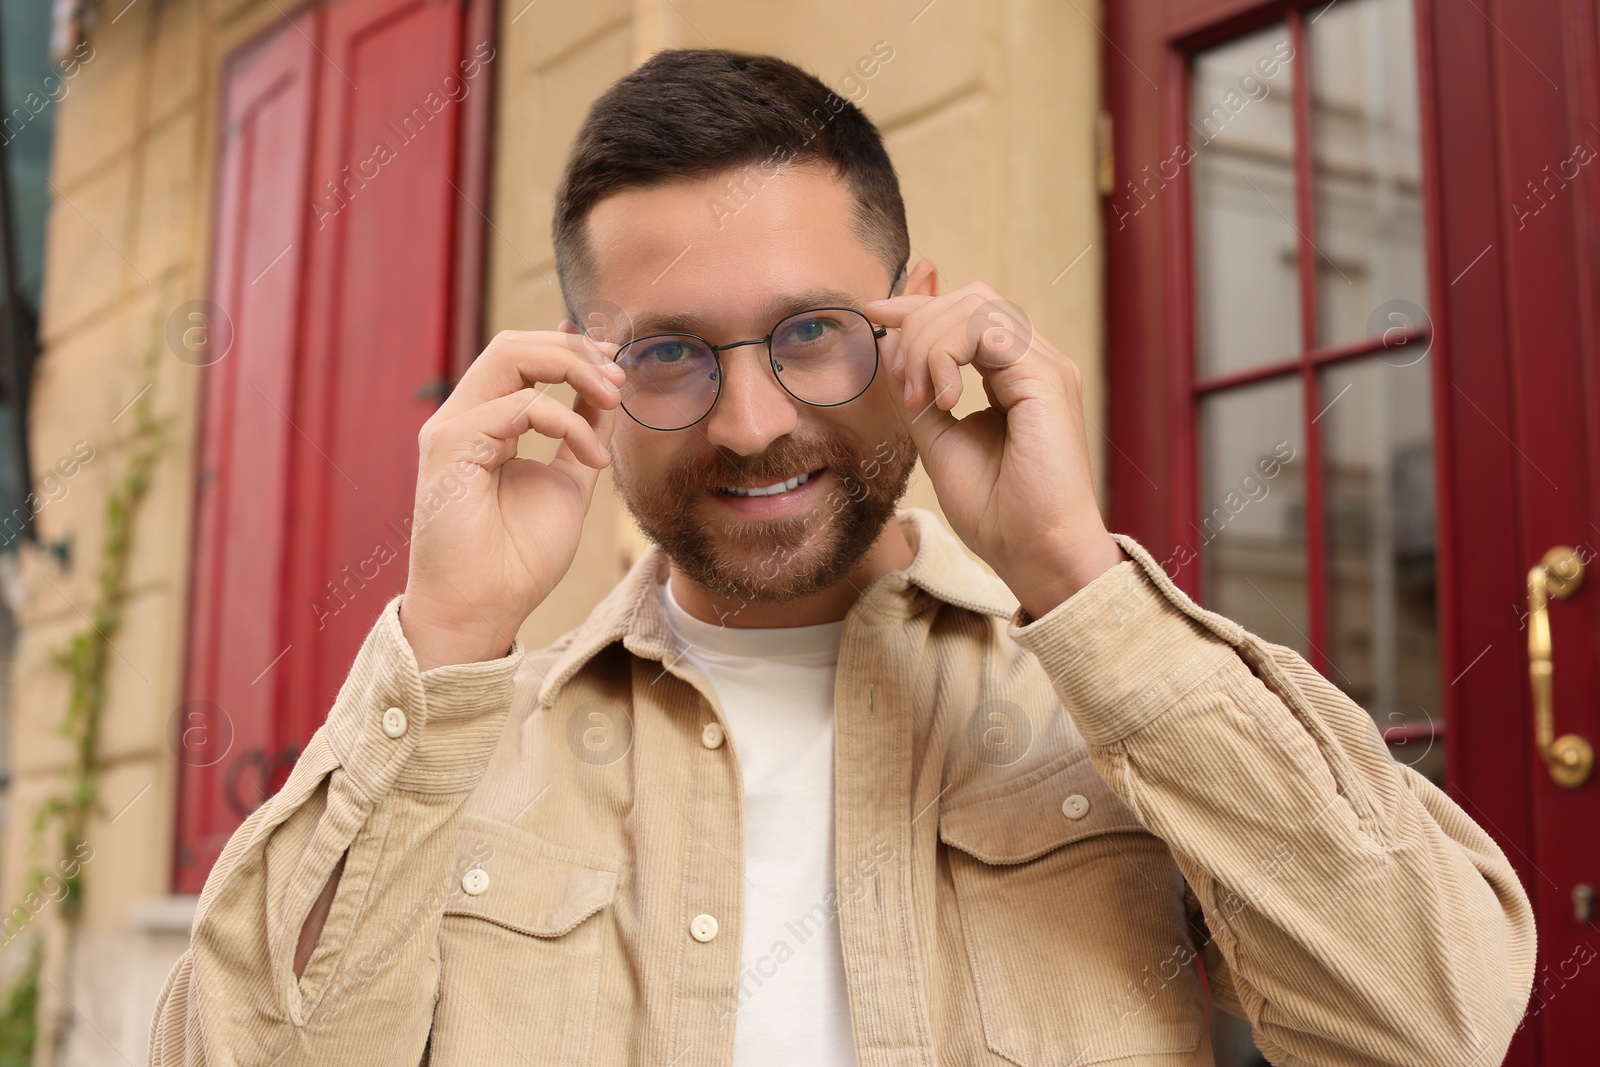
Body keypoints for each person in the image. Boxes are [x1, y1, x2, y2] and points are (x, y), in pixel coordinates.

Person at [150, 48, 1533, 1067]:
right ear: (589, 375)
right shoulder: (462, 749)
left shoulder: (1104, 696)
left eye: (811, 329)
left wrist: (1072, 571)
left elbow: (1434, 1020)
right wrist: (442, 639)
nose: (754, 424)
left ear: (917, 319)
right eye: (673, 352)